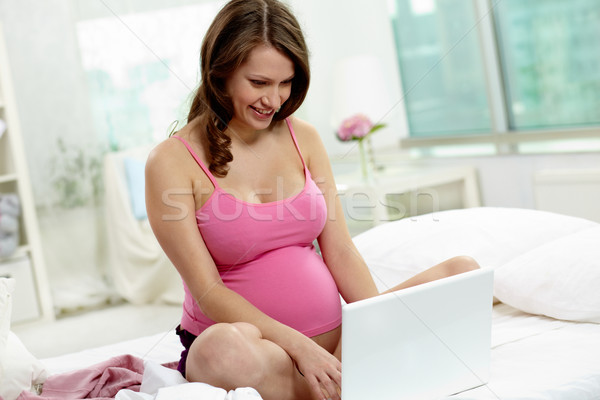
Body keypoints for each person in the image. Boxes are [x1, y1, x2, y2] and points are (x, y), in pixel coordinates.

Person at [145, 1, 480, 399]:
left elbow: (339, 249)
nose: (274, 99)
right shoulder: (171, 160)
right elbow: (207, 290)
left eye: (285, 83)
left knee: (463, 271)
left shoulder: (303, 137)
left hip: (338, 345)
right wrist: (300, 347)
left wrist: (378, 327)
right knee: (222, 351)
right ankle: (346, 383)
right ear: (220, 72)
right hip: (260, 356)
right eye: (259, 82)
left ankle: (342, 379)